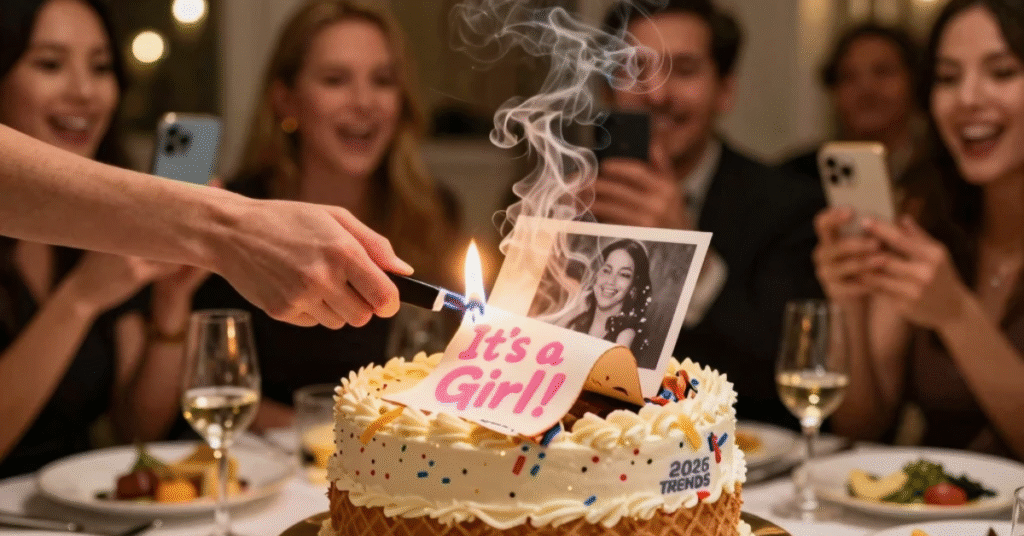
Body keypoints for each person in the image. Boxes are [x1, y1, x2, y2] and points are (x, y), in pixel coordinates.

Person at [190, 0, 463, 433]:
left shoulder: (433, 211)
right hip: (271, 478)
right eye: (336, 80)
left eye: (383, 80)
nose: (364, 102)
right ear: (286, 101)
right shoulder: (239, 212)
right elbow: (209, 387)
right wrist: (332, 431)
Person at [0, 0, 209, 475]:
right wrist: (81, 297)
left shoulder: (101, 216)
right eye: (50, 64)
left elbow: (135, 430)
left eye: (100, 67)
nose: (85, 92)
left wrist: (170, 302)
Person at [595, 0, 824, 427]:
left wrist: (688, 264)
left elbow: (783, 383)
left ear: (725, 91)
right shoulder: (568, 195)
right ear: (608, 89)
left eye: (683, 70)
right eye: (636, 70)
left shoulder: (787, 206)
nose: (658, 94)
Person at [815, 0, 1024, 460]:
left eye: (1003, 72)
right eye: (948, 78)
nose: (968, 98)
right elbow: (863, 425)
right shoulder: (925, 215)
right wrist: (848, 304)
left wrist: (954, 314)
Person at [782, 24, 926, 187]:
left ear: (914, 81)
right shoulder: (796, 177)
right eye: (848, 77)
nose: (866, 89)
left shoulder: (945, 173)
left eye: (882, 72)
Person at [561, 239, 652, 357]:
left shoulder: (625, 336)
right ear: (595, 275)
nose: (611, 281)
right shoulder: (577, 318)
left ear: (633, 286)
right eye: (606, 270)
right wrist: (574, 310)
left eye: (624, 274)